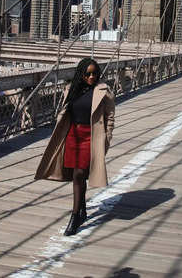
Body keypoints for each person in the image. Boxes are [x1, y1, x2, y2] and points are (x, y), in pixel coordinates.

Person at [35, 58, 115, 236]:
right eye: (88, 73)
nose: (92, 76)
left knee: (80, 173)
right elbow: (65, 110)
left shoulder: (104, 90)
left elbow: (110, 118)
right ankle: (83, 209)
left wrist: (106, 139)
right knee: (76, 175)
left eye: (95, 73)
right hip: (73, 135)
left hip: (91, 136)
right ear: (81, 74)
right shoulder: (72, 90)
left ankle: (74, 216)